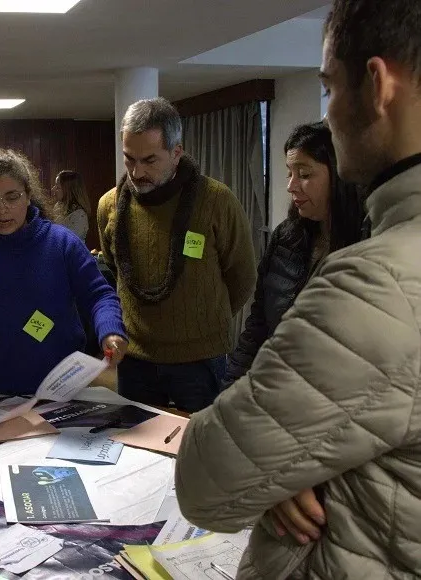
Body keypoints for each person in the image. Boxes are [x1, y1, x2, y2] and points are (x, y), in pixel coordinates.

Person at [176, 1, 421, 577]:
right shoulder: (291, 244)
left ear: (378, 84)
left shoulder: (376, 283)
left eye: (329, 88)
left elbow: (205, 478)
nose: (330, 112)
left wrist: (285, 467)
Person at [0, 149, 128, 428]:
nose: (2, 209)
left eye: (12, 197)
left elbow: (98, 294)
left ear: (28, 195)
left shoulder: (62, 243)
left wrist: (110, 329)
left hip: (65, 391)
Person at [97, 97, 256, 412]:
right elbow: (116, 272)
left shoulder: (217, 201)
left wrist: (201, 321)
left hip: (200, 361)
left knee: (200, 451)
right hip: (136, 359)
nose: (136, 171)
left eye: (149, 160)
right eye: (129, 158)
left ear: (176, 153)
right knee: (136, 454)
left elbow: (242, 277)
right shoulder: (110, 205)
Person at [224, 122, 364, 384]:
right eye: (289, 172)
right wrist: (231, 386)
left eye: (304, 174)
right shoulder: (285, 238)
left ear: (339, 175)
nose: (291, 186)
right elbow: (258, 326)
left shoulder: (369, 244)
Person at [51, 170, 91, 240]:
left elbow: (70, 243)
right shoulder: (58, 206)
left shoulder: (79, 215)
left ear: (68, 190)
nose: (53, 189)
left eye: (57, 187)